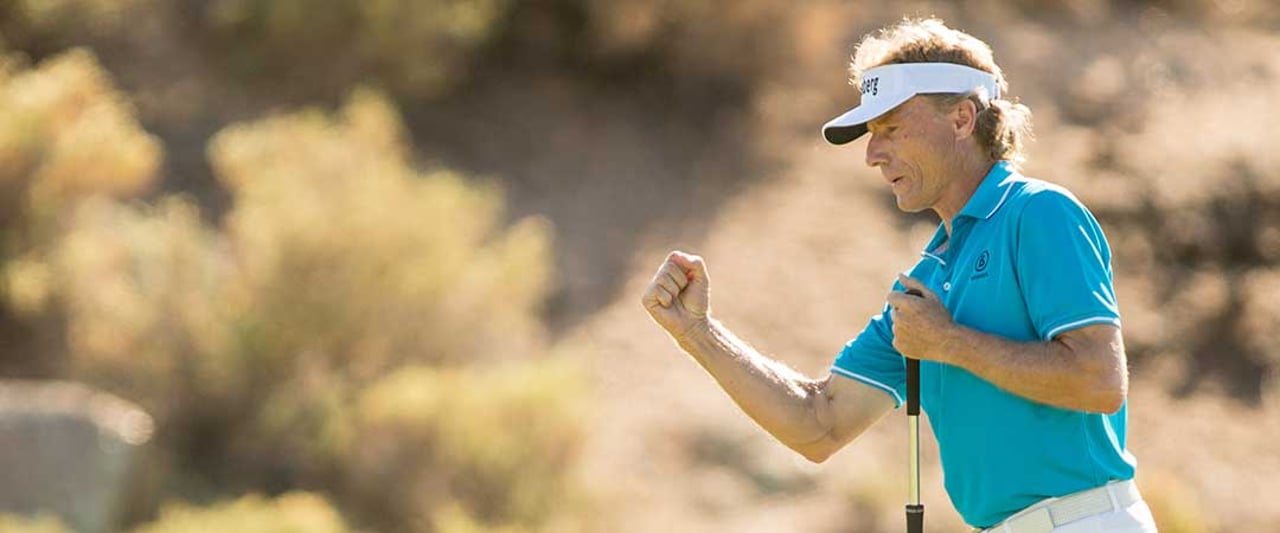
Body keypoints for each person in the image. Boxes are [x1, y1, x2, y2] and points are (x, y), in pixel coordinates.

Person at [640, 17, 1157, 533]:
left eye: (890, 128)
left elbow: (1099, 379)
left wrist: (949, 342)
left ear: (961, 119)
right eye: (871, 134)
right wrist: (698, 333)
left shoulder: (1038, 213)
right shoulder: (924, 283)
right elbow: (818, 425)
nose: (872, 154)